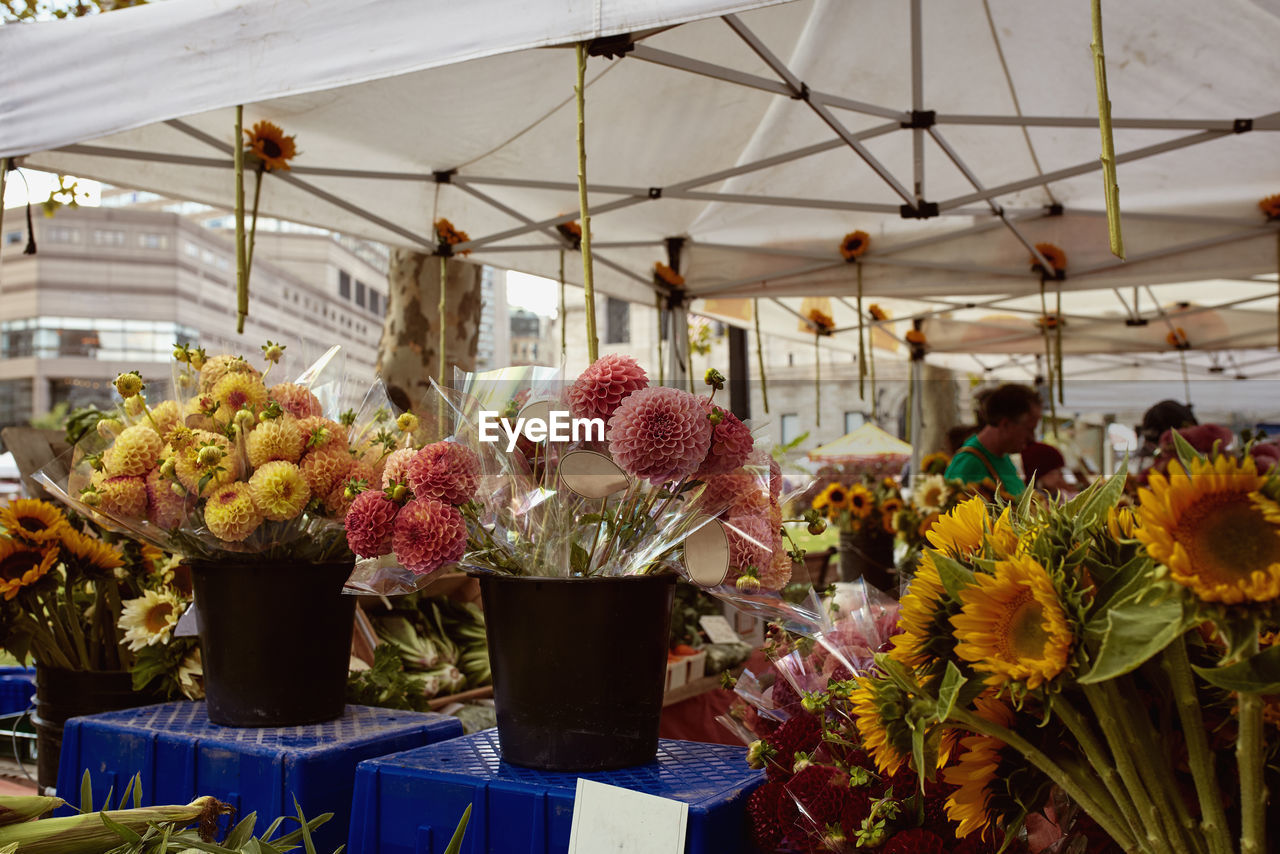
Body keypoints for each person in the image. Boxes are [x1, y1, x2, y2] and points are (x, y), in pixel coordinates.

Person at [943, 384, 1042, 499]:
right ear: (1005, 424)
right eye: (1029, 429)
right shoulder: (968, 464)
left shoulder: (1003, 457)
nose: (1032, 438)